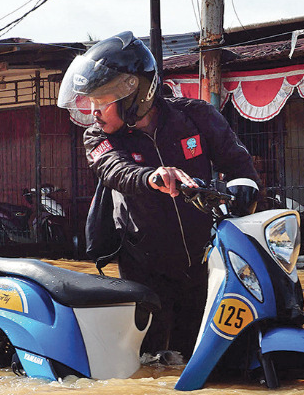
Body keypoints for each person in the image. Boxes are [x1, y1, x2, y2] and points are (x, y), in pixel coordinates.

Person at [57, 31, 260, 361]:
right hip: (143, 269)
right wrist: (152, 177)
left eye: (101, 99)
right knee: (149, 362)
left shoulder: (197, 117)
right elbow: (115, 170)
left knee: (201, 357)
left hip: (203, 261)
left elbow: (238, 164)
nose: (93, 111)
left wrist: (243, 191)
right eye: (90, 101)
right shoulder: (97, 137)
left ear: (135, 93)